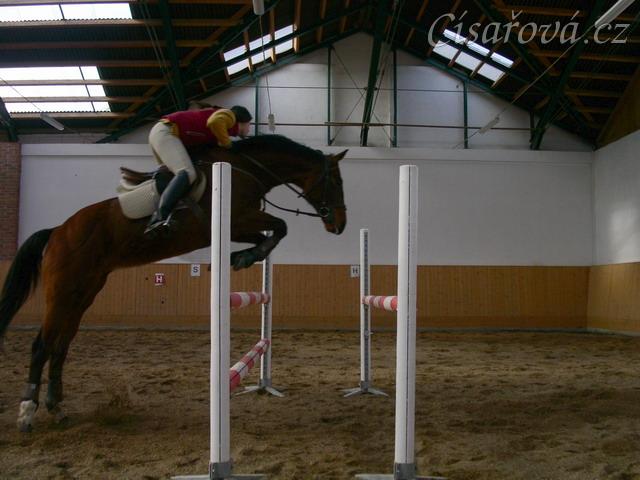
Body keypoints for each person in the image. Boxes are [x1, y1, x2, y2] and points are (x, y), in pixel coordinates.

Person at [145, 104, 253, 234]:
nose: (249, 129)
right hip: (167, 132)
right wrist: (229, 145)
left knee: (179, 177)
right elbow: (215, 121)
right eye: (249, 125)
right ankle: (158, 219)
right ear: (242, 121)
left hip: (164, 133)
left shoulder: (218, 131)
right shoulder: (229, 116)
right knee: (187, 172)